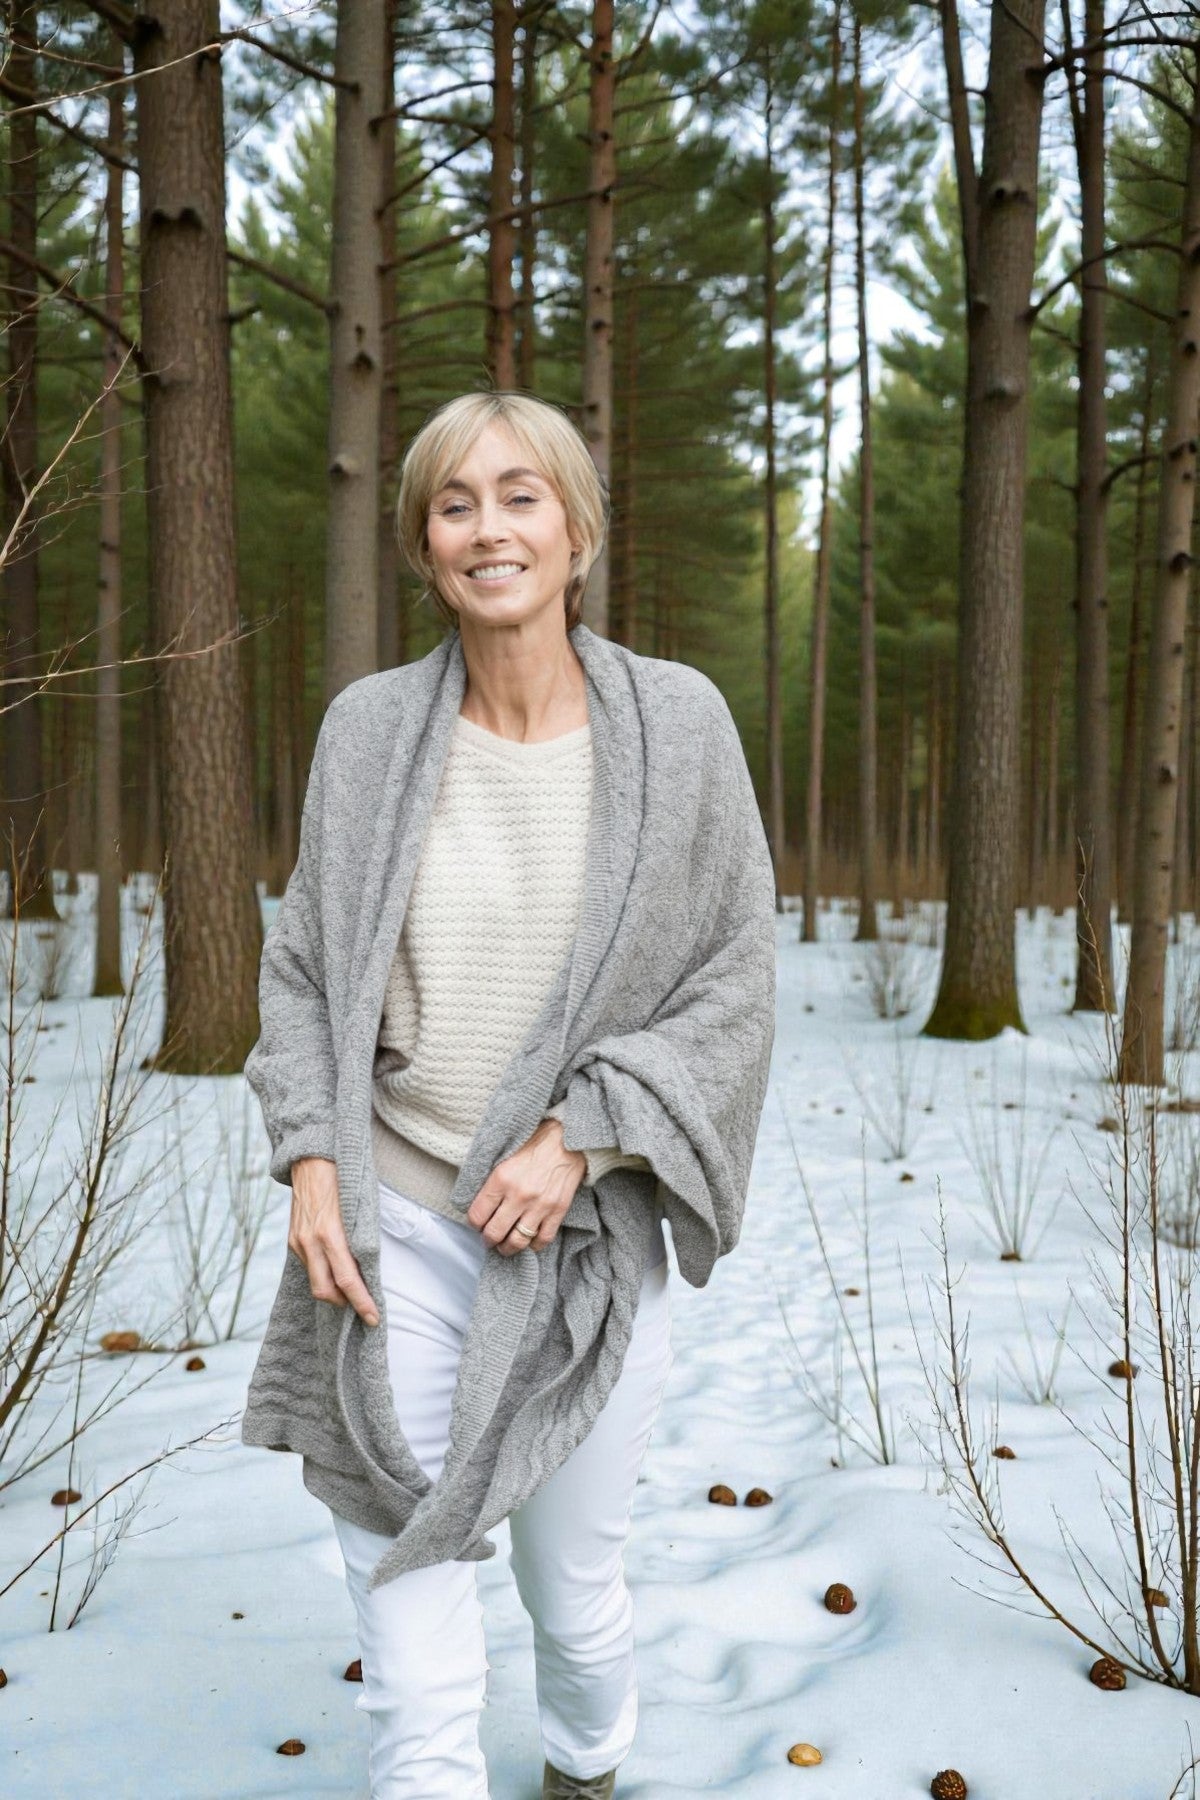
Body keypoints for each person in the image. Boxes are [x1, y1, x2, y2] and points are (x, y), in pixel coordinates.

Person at [241, 391, 777, 1800]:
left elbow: (732, 976)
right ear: (426, 547)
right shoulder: (368, 732)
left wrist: (587, 1136)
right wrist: (311, 1156)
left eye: (520, 494)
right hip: (392, 1226)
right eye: (455, 502)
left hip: (584, 1243)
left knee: (575, 1602)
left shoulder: (679, 725)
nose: (490, 527)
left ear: (579, 528)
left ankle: (586, 1769)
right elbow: (303, 966)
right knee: (411, 1625)